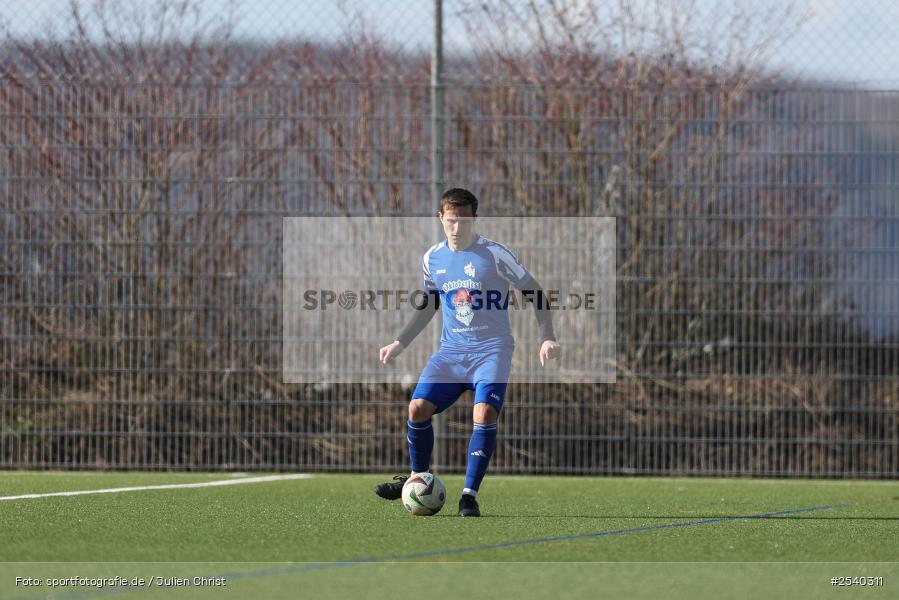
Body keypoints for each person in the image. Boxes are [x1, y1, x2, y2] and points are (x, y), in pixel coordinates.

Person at [375, 188, 561, 517]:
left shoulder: (495, 254)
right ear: (441, 219)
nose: (456, 227)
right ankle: (417, 479)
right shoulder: (432, 257)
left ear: (475, 219)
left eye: (463, 220)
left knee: (483, 415)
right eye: (450, 220)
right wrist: (399, 343)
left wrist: (547, 337)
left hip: (492, 352)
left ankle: (468, 496)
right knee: (417, 408)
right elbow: (430, 303)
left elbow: (535, 292)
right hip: (451, 353)